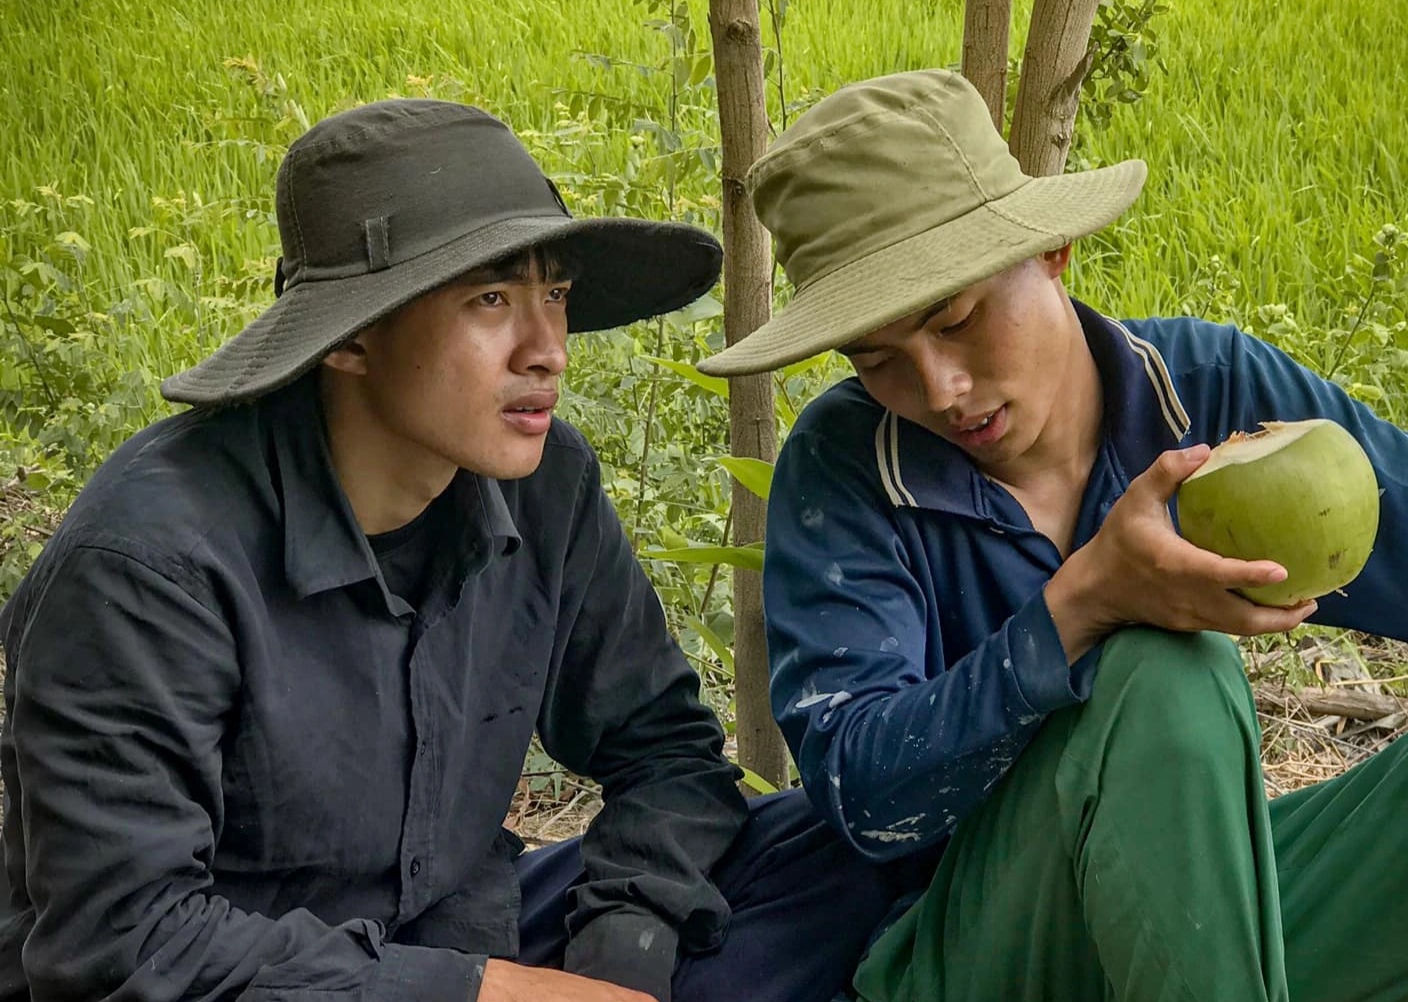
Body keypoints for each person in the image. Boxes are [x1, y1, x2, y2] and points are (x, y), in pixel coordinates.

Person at [0, 98, 915, 1002]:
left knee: (838, 849)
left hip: (460, 926)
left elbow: (666, 751)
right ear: (352, 336)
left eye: (553, 293)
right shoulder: (148, 567)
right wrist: (492, 994)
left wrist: (622, 950)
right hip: (248, 976)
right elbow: (121, 943)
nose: (548, 347)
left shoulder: (542, 478)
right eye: (490, 299)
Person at [697, 68, 1408, 1002]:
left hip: (1196, 922)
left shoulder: (1210, 395)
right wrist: (1080, 607)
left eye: (957, 319)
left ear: (1051, 251)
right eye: (878, 359)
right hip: (965, 952)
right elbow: (864, 795)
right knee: (1166, 675)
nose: (938, 389)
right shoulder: (849, 468)